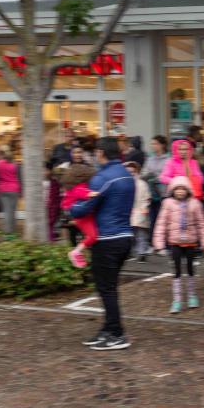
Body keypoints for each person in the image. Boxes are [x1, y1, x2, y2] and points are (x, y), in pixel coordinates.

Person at [70, 137, 135, 350]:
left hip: (107, 239)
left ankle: (116, 334)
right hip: (125, 237)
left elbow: (85, 208)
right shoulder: (127, 175)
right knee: (109, 288)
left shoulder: (102, 177)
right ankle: (108, 329)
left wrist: (71, 207)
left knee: (106, 288)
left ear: (100, 153)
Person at [153, 176, 204, 313]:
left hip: (190, 242)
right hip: (175, 242)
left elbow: (202, 223)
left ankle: (192, 295)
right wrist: (159, 243)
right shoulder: (167, 204)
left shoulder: (195, 204)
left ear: (188, 190)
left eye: (183, 189)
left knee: (191, 269)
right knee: (176, 270)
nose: (180, 191)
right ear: (172, 190)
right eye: (177, 189)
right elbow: (161, 223)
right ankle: (177, 300)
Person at [60, 162, 98, 268]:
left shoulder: (73, 187)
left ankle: (79, 253)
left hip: (82, 215)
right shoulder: (78, 188)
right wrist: (96, 193)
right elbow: (84, 193)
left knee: (92, 236)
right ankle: (76, 252)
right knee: (93, 236)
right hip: (82, 217)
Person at [143, 135, 170, 240]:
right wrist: (147, 175)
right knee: (152, 217)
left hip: (163, 192)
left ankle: (162, 240)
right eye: (152, 144)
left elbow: (168, 175)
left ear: (162, 145)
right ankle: (152, 240)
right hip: (151, 192)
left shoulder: (168, 159)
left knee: (162, 217)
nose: (153, 146)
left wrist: (157, 177)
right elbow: (144, 172)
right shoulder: (150, 158)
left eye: (155, 143)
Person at [124, 162, 151, 263]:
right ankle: (129, 252)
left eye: (132, 172)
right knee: (129, 234)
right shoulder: (123, 183)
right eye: (128, 172)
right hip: (127, 212)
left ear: (137, 172)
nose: (130, 174)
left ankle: (142, 253)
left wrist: (144, 207)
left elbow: (146, 197)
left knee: (140, 233)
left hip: (139, 211)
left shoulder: (142, 184)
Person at [0, 145, 19, 236]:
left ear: (0, 153)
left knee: (6, 211)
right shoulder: (15, 164)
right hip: (14, 190)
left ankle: (8, 233)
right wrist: (21, 191)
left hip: (2, 190)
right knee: (12, 211)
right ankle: (13, 232)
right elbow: (19, 178)